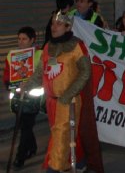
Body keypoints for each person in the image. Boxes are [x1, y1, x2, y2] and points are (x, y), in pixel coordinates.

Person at [23, 12, 103, 173]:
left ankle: (53, 168)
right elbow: (40, 72)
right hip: (51, 101)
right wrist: (27, 86)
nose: (54, 27)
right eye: (53, 23)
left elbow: (85, 72)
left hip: (69, 101)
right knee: (64, 134)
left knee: (60, 134)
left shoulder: (77, 46)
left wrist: (68, 94)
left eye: (59, 24)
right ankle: (79, 161)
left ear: (68, 27)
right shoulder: (47, 47)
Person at [4, 26, 42, 168]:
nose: (21, 42)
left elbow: (44, 75)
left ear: (32, 40)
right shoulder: (12, 55)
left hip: (33, 99)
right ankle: (32, 147)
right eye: (19, 39)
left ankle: (20, 157)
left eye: (24, 39)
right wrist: (9, 84)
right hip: (17, 99)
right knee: (25, 126)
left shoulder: (40, 54)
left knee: (25, 127)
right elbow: (7, 75)